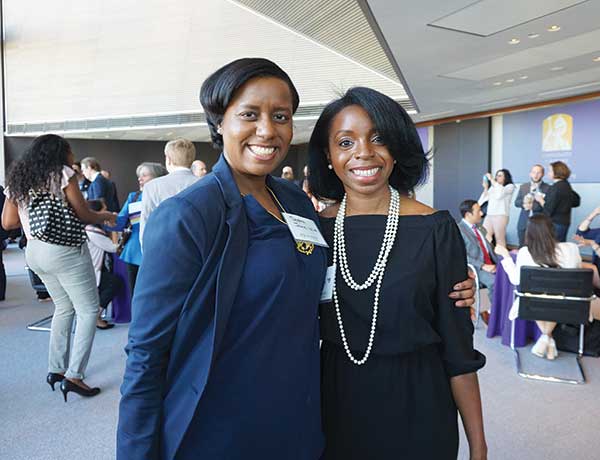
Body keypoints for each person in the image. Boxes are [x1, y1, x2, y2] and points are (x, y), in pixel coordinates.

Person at [117, 58, 475, 460]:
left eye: (281, 116)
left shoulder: (294, 203)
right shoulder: (189, 215)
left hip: (301, 417)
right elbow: (146, 353)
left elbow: (350, 268)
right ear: (219, 122)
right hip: (224, 425)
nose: (267, 130)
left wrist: (444, 281)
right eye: (250, 114)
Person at [309, 87, 486, 460]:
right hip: (334, 405)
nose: (363, 153)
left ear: (397, 148)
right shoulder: (314, 231)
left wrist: (479, 446)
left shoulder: (435, 228)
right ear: (328, 155)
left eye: (379, 139)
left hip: (418, 404)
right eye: (345, 141)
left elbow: (458, 348)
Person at [2, 134, 116, 401]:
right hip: (63, 249)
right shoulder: (62, 173)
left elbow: (7, 223)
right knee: (88, 309)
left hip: (34, 252)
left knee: (64, 308)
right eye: (70, 151)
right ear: (61, 152)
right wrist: (106, 215)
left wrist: (34, 220)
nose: (73, 156)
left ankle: (56, 369)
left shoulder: (19, 178)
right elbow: (84, 214)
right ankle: (74, 376)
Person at [495, 215, 582, 359]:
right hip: (568, 304)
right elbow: (577, 276)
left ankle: (545, 337)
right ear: (552, 229)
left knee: (538, 297)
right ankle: (547, 338)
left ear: (529, 233)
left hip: (533, 305)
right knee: (554, 296)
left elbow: (516, 280)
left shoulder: (525, 252)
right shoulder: (572, 249)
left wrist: (506, 255)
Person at [107, 162, 167, 296]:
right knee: (136, 294)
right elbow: (121, 222)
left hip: (158, 252)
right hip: (134, 252)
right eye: (139, 176)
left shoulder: (165, 197)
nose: (140, 179)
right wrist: (106, 220)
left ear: (157, 177)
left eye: (144, 175)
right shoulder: (133, 197)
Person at [139, 138, 199, 243]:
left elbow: (146, 225)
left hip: (163, 249)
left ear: (169, 159)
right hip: (199, 251)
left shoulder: (152, 187)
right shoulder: (205, 185)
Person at [85, 199, 123, 330]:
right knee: (114, 282)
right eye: (104, 210)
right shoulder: (94, 232)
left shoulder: (87, 229)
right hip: (93, 272)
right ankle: (96, 315)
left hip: (88, 270)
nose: (107, 212)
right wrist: (115, 228)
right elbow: (114, 247)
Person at [458, 199, 497, 320]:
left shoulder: (480, 228)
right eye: (478, 211)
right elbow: (461, 255)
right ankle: (494, 315)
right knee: (494, 281)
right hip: (476, 267)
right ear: (468, 214)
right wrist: (482, 266)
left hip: (492, 263)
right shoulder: (459, 229)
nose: (481, 213)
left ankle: (503, 309)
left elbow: (489, 247)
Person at [535, 160, 580, 242]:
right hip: (565, 222)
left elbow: (548, 210)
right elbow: (577, 201)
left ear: (556, 172)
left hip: (554, 223)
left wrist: (540, 200)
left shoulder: (555, 188)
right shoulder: (567, 185)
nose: (548, 173)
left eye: (550, 171)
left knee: (552, 248)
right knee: (560, 247)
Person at [514, 164, 550, 247]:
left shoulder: (548, 188)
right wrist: (524, 203)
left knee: (538, 247)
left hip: (539, 222)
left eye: (538, 173)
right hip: (523, 221)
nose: (536, 175)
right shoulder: (524, 186)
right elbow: (516, 202)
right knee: (522, 246)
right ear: (530, 173)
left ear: (543, 174)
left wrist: (533, 206)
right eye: (534, 172)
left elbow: (548, 206)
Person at [478, 169, 515, 247]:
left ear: (506, 177)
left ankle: (502, 257)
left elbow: (499, 195)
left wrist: (491, 180)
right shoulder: (493, 187)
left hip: (500, 215)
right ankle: (489, 256)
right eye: (496, 175)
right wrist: (486, 188)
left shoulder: (509, 187)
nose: (497, 177)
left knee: (499, 239)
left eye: (500, 175)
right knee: (485, 236)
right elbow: (484, 198)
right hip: (489, 215)